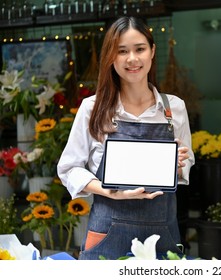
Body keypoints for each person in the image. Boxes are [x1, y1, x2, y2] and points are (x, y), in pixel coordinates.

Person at [57, 16, 195, 260]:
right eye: (122, 51)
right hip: (106, 233)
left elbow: (184, 170)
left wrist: (178, 163)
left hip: (162, 235)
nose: (132, 59)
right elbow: (69, 168)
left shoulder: (173, 109)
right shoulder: (93, 108)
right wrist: (110, 192)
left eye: (140, 49)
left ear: (152, 51)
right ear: (111, 57)